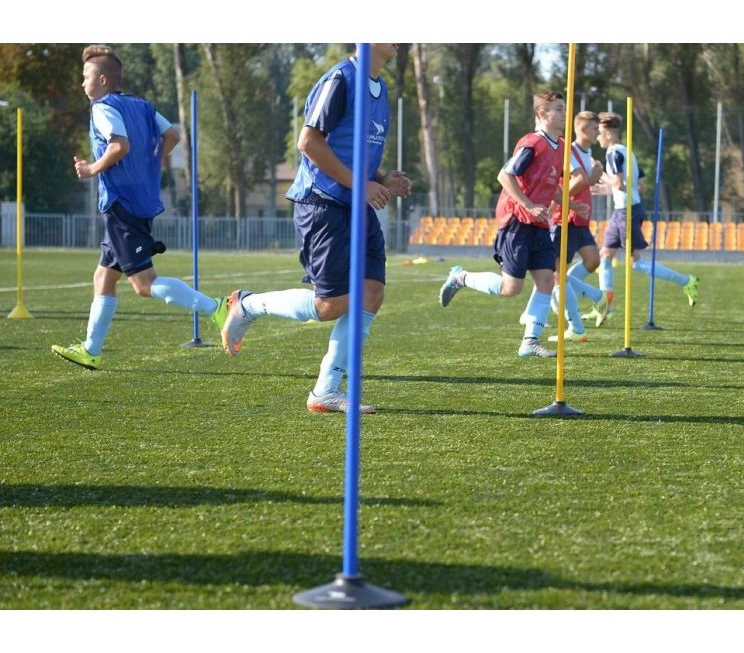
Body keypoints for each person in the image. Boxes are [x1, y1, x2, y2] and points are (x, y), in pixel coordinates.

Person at [217, 44, 411, 414]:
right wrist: (362, 183)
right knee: (329, 306)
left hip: (356, 204)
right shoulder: (341, 79)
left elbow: (349, 151)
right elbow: (308, 142)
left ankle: (326, 391)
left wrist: (380, 178)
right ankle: (247, 305)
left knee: (371, 292)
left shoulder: (380, 87)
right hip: (323, 203)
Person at [51, 45, 227, 370]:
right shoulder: (142, 105)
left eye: (86, 76)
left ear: (102, 80)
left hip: (122, 204)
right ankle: (91, 349)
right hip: (140, 200)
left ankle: (217, 308)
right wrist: (154, 161)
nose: (82, 83)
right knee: (103, 277)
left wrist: (91, 169)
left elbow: (119, 145)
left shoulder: (102, 108)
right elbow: (172, 135)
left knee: (144, 285)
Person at [438, 90, 588, 358]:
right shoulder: (532, 143)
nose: (564, 113)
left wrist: (571, 204)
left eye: (564, 108)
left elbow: (550, 185)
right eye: (558, 109)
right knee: (511, 289)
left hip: (539, 224)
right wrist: (528, 205)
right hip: (516, 221)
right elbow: (504, 175)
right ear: (542, 113)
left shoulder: (562, 146)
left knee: (546, 280)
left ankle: (530, 341)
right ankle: (461, 277)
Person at [517, 110, 611, 340]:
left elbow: (582, 182)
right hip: (564, 218)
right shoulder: (569, 150)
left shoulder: (588, 155)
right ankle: (577, 323)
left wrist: (594, 182)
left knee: (591, 262)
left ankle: (586, 300)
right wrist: (587, 181)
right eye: (594, 129)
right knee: (555, 275)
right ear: (582, 129)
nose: (598, 133)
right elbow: (575, 182)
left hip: (579, 219)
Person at [594, 111, 699, 308]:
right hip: (622, 211)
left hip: (627, 212)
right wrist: (606, 189)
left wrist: (600, 174)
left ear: (607, 133)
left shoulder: (612, 153)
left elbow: (619, 184)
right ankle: (604, 306)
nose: (596, 136)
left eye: (598, 132)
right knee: (604, 257)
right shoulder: (628, 152)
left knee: (636, 263)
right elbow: (639, 186)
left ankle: (687, 281)